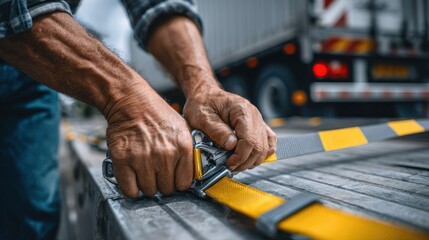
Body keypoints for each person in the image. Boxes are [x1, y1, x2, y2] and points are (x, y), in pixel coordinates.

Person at [0, 0, 277, 239]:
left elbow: (157, 5)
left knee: (32, 211)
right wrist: (125, 98)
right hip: (27, 47)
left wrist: (203, 87)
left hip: (29, 83)